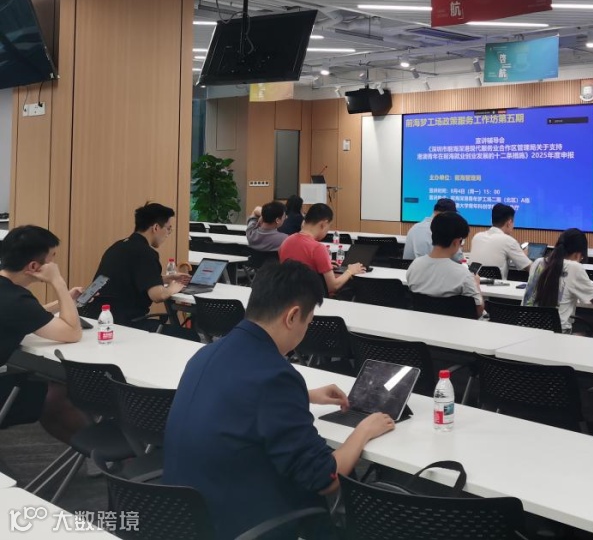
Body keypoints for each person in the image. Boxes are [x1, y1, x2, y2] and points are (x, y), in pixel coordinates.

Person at [164, 260, 394, 540]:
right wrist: (364, 430)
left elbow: (237, 395)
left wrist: (305, 396)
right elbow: (325, 479)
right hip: (240, 525)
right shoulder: (276, 376)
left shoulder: (207, 353)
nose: (305, 330)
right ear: (292, 316)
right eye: (308, 322)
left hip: (184, 515)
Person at [0, 225, 87, 442]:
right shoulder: (17, 300)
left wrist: (63, 302)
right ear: (34, 266)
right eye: (52, 258)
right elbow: (72, 332)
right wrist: (58, 282)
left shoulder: (9, 294)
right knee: (56, 395)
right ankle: (103, 452)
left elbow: (29, 315)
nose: (55, 265)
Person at [91, 203, 190, 326]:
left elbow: (130, 279)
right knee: (188, 335)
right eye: (168, 228)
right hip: (126, 324)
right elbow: (157, 296)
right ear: (156, 228)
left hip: (99, 318)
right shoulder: (146, 253)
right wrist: (173, 288)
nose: (168, 233)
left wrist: (167, 278)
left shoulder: (118, 246)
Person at [405, 212, 484, 318]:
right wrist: (476, 284)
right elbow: (478, 311)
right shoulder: (463, 275)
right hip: (455, 326)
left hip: (422, 323)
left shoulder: (414, 266)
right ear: (456, 242)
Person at [523, 228, 593, 333]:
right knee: (584, 335)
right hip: (557, 335)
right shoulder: (575, 267)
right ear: (578, 254)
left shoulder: (538, 262)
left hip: (526, 328)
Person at [278, 203, 365, 296]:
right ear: (323, 224)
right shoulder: (318, 248)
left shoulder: (285, 242)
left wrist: (323, 264)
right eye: (329, 226)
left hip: (288, 296)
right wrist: (350, 271)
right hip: (312, 299)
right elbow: (333, 286)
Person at [468, 203, 532, 279]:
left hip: (474, 284)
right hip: (498, 286)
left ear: (492, 220)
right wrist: (523, 256)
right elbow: (531, 268)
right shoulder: (508, 241)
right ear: (509, 222)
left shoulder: (477, 237)